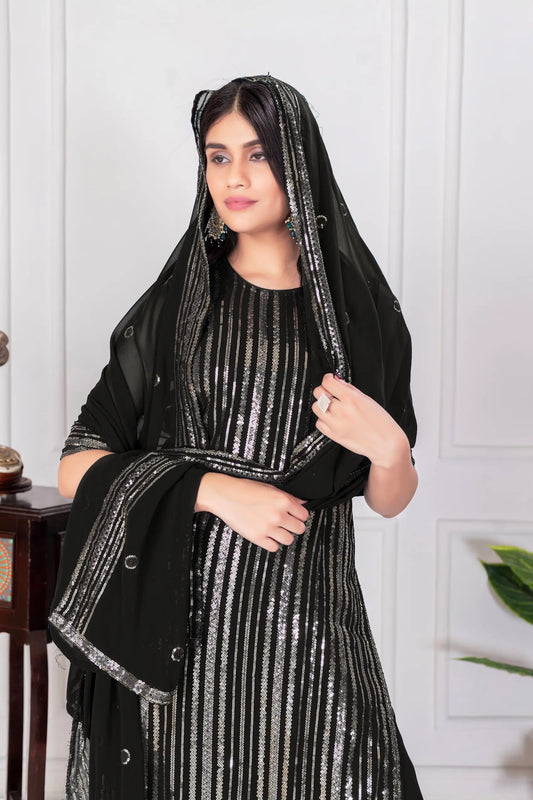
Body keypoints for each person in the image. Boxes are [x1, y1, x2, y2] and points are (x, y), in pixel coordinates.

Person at [49, 74, 423, 799]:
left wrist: (388, 447)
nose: (235, 178)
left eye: (258, 155)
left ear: (299, 164)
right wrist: (214, 490)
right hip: (182, 630)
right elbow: (77, 464)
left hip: (309, 624)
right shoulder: (177, 307)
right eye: (218, 157)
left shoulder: (362, 317)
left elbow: (389, 499)